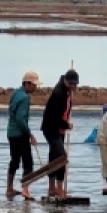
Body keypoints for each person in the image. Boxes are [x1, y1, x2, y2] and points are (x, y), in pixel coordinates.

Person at [41, 69, 79, 199]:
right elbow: (54, 118)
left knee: (54, 157)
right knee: (62, 157)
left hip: (58, 129)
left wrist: (64, 125)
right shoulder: (59, 94)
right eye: (71, 83)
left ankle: (52, 188)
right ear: (65, 81)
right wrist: (66, 125)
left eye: (75, 84)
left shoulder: (67, 92)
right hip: (51, 128)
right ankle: (59, 189)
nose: (73, 86)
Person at [6, 71, 39, 201]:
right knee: (28, 162)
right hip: (20, 133)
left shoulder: (15, 93)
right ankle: (25, 190)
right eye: (34, 85)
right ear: (27, 83)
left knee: (14, 161)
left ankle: (9, 188)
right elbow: (20, 118)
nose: (36, 88)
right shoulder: (24, 97)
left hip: (11, 132)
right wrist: (30, 134)